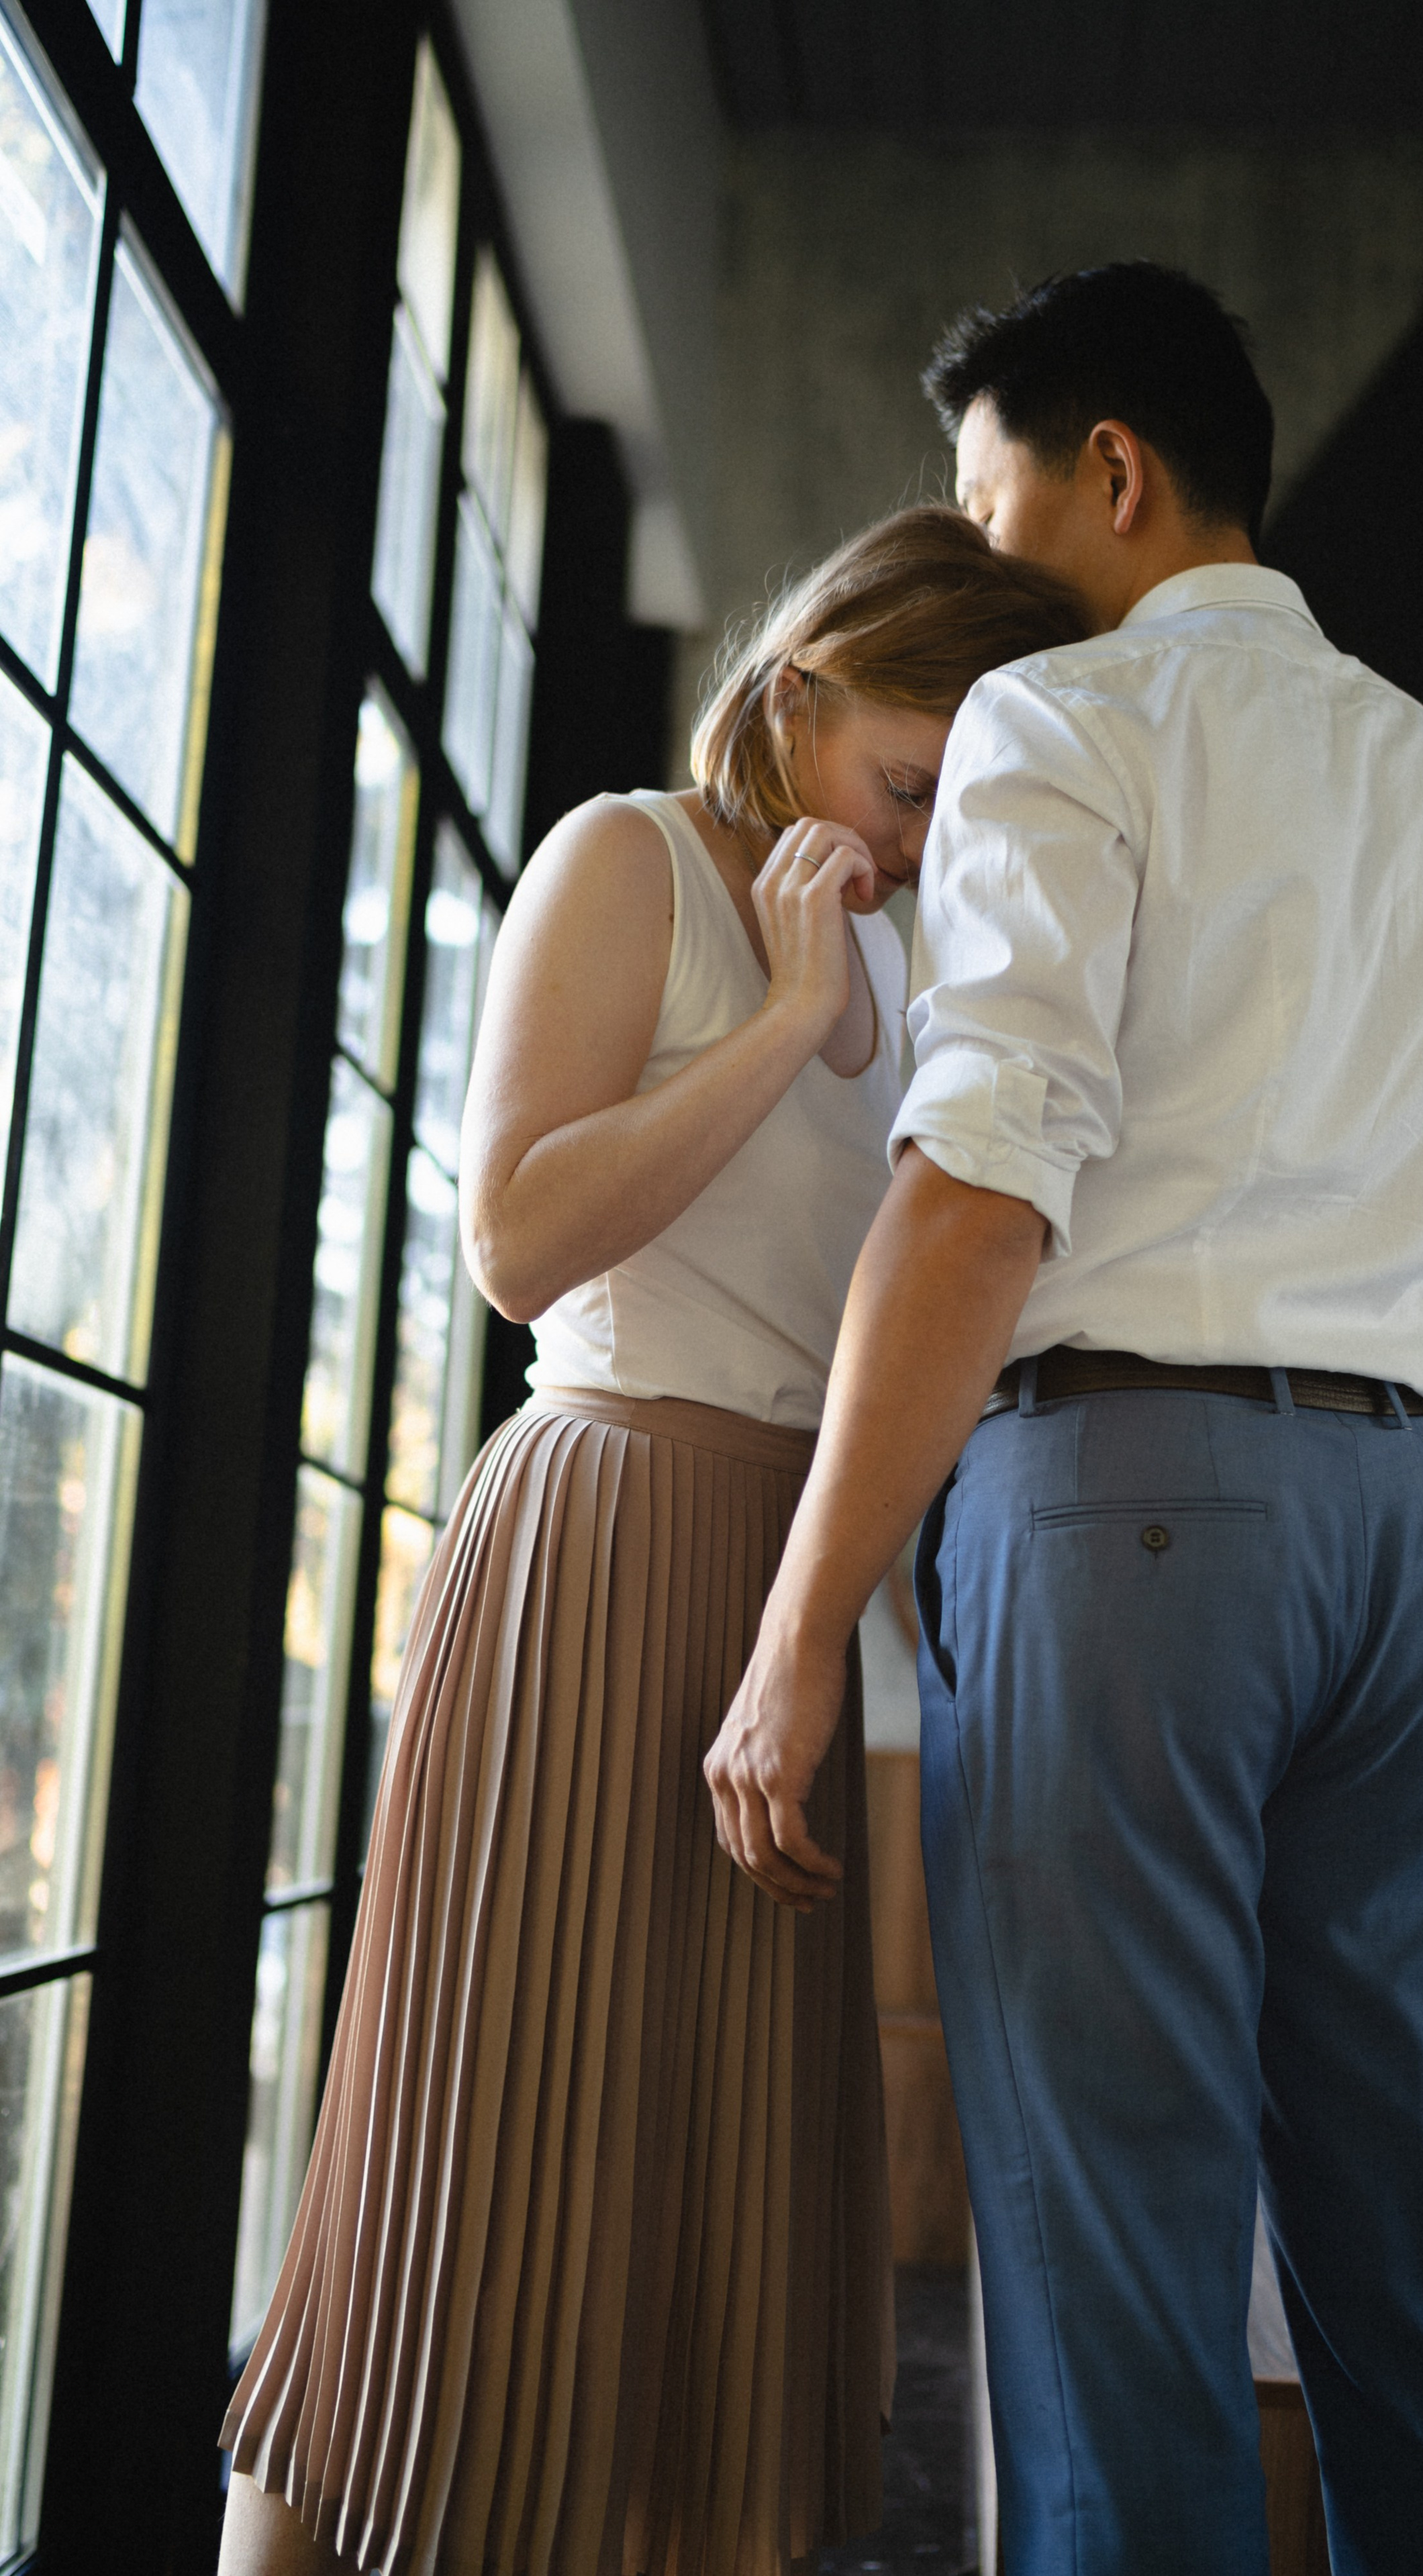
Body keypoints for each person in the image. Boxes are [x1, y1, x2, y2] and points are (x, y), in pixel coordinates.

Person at [705, 264, 1423, 2575]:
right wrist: (1394, 1539)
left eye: (993, 508)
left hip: (1133, 1507)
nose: (979, 572)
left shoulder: (1064, 724)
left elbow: (980, 1198)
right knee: (1407, 2240)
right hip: (1409, 1529)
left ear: (1114, 471)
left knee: (1117, 2270)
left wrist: (799, 1642)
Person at [217, 507, 1088, 2576]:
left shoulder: (897, 946)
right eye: (902, 782)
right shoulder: (630, 856)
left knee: (712, 2199)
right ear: (799, 697)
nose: (909, 838)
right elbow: (517, 1244)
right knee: (486, 2151)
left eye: (959, 802)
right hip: (601, 1542)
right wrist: (785, 1020)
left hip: (782, 1598)